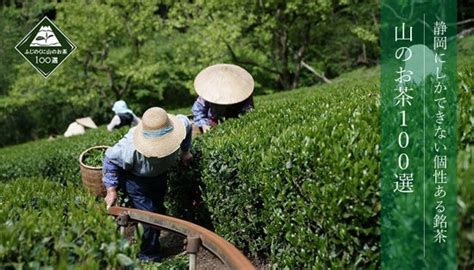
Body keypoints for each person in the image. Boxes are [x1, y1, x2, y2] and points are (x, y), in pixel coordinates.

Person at [102, 107, 193, 262]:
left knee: (158, 210)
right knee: (149, 216)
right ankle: (149, 256)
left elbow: (188, 125)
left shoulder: (181, 125)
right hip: (137, 181)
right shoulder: (128, 148)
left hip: (160, 175)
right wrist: (111, 190)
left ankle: (153, 245)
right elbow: (110, 160)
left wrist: (185, 151)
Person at [192, 64, 254, 133]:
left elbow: (248, 112)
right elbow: (198, 111)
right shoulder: (208, 92)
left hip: (236, 123)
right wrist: (204, 124)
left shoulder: (243, 92)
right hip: (213, 123)